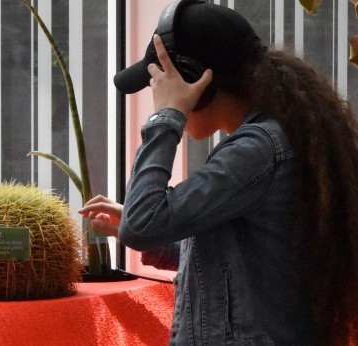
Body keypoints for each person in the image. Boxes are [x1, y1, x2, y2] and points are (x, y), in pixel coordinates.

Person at [78, 1, 358, 345]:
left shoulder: (257, 150)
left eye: (161, 87)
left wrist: (167, 116)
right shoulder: (270, 141)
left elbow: (142, 224)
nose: (158, 95)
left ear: (196, 82)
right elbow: (239, 261)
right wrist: (158, 235)